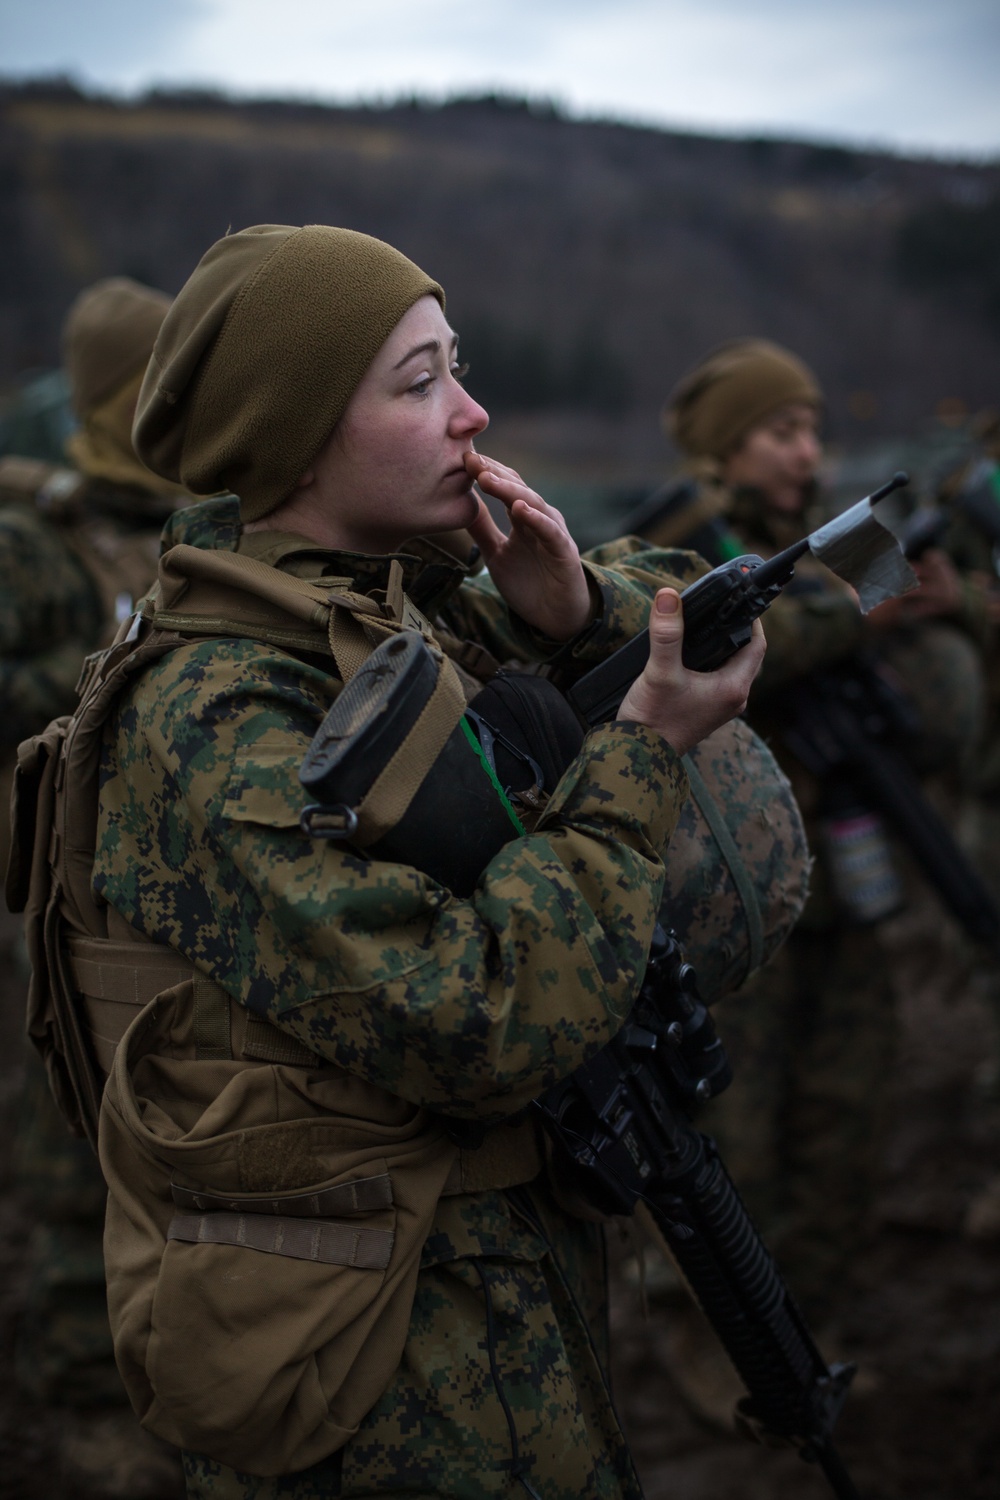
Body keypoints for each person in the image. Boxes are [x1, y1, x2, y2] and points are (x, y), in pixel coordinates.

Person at [72, 224, 768, 1500]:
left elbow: (690, 588)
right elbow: (474, 1017)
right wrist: (636, 762)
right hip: (382, 1364)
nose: (472, 412)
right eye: (419, 382)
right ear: (292, 438)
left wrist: (572, 617)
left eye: (460, 366)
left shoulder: (403, 597)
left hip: (493, 1303)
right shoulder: (219, 710)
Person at [627, 339, 984, 1330]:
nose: (805, 453)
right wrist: (867, 608)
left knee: (848, 1111)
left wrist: (942, 607)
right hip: (730, 905)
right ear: (722, 446)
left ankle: (815, 1315)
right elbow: (741, 639)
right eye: (780, 431)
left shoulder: (843, 543)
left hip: (848, 876)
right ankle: (723, 1336)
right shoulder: (683, 535)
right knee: (737, 1129)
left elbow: (920, 620)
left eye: (813, 431)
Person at [2, 275, 188, 1498]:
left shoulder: (188, 525)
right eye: (151, 390)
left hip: (168, 915)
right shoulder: (35, 548)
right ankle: (82, 1413)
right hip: (50, 920)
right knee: (75, 1163)